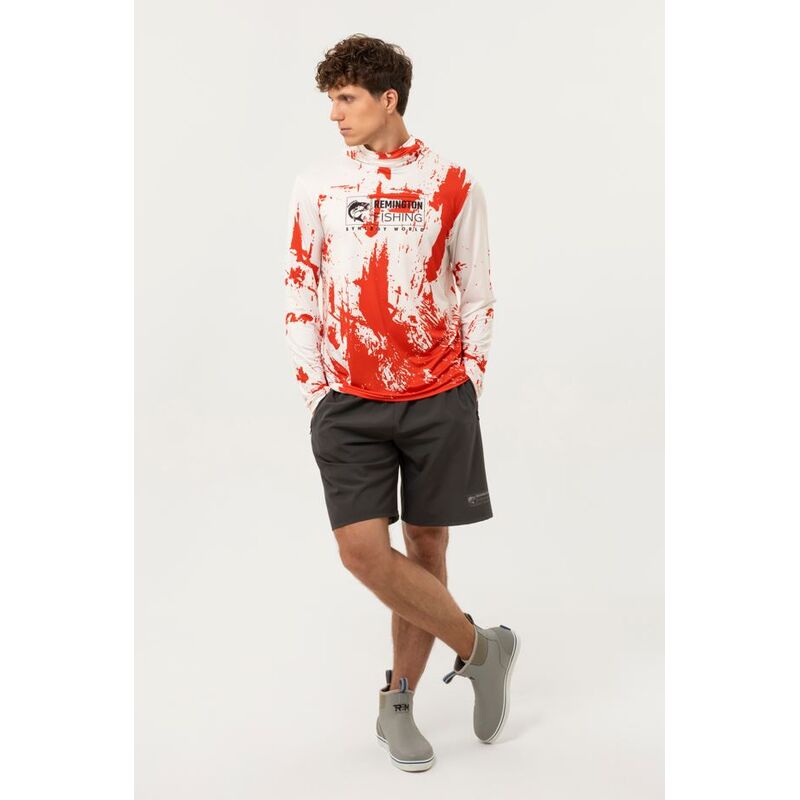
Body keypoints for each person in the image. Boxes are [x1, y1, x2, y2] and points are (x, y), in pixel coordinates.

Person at [283, 33, 519, 772]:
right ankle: (482, 649)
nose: (335, 114)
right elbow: (300, 286)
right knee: (361, 550)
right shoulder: (319, 184)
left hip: (437, 398)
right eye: (331, 99)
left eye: (347, 98)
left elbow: (477, 292)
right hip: (348, 403)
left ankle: (399, 703)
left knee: (426, 549)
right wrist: (316, 393)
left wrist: (467, 383)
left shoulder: (453, 182)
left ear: (389, 99)